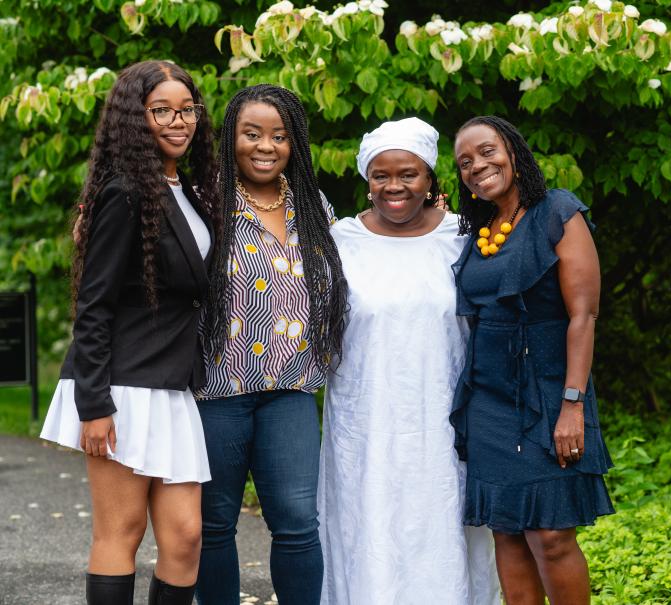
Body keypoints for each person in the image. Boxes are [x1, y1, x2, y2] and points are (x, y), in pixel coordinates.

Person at [40, 60, 218, 604]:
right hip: (121, 388)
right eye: (160, 110)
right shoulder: (124, 192)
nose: (177, 121)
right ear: (133, 119)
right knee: (121, 534)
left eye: (186, 109)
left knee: (186, 538)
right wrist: (94, 404)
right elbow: (92, 307)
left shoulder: (187, 189)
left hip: (171, 386)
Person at [318, 117, 500, 604]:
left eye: (408, 174)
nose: (394, 186)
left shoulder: (465, 238)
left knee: (441, 526)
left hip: (444, 422)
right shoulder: (340, 241)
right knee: (367, 530)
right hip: (364, 425)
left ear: (430, 180)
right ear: (366, 180)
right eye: (381, 175)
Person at [450, 115, 615, 604]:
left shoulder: (556, 211)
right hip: (489, 400)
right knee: (508, 529)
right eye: (464, 163)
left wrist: (573, 404)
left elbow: (583, 316)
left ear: (514, 151)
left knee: (551, 534)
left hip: (548, 393)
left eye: (486, 151)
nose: (477, 166)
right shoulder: (479, 227)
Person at [194, 84, 346, 605]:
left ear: (294, 143)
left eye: (279, 136)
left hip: (292, 390)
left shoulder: (314, 204)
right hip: (216, 390)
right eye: (252, 133)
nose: (266, 146)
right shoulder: (203, 200)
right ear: (230, 136)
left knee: (299, 522)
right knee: (213, 525)